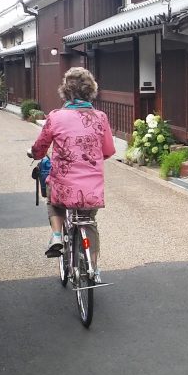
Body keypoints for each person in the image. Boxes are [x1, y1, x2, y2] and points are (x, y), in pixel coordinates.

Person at [29, 67, 115, 276]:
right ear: (91, 91)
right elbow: (108, 150)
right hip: (91, 188)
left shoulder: (55, 117)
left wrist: (34, 154)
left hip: (64, 185)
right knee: (89, 222)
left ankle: (57, 236)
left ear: (65, 91)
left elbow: (40, 148)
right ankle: (93, 268)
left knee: (53, 200)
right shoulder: (100, 117)